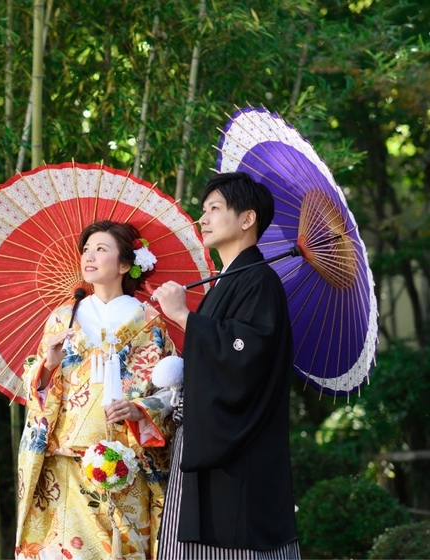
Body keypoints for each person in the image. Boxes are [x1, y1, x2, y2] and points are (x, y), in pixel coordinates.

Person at [152, 172, 300, 559]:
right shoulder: (227, 283)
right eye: (203, 210)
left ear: (247, 219)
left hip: (238, 449)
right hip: (204, 436)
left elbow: (247, 354)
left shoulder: (260, 281)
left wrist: (187, 318)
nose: (203, 218)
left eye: (214, 209)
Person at [15, 220, 177, 560]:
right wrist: (47, 364)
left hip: (129, 464)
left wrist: (140, 409)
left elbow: (171, 388)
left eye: (101, 249)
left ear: (124, 264)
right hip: (67, 463)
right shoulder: (63, 318)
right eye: (86, 249)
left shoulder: (148, 321)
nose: (89, 256)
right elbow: (35, 388)